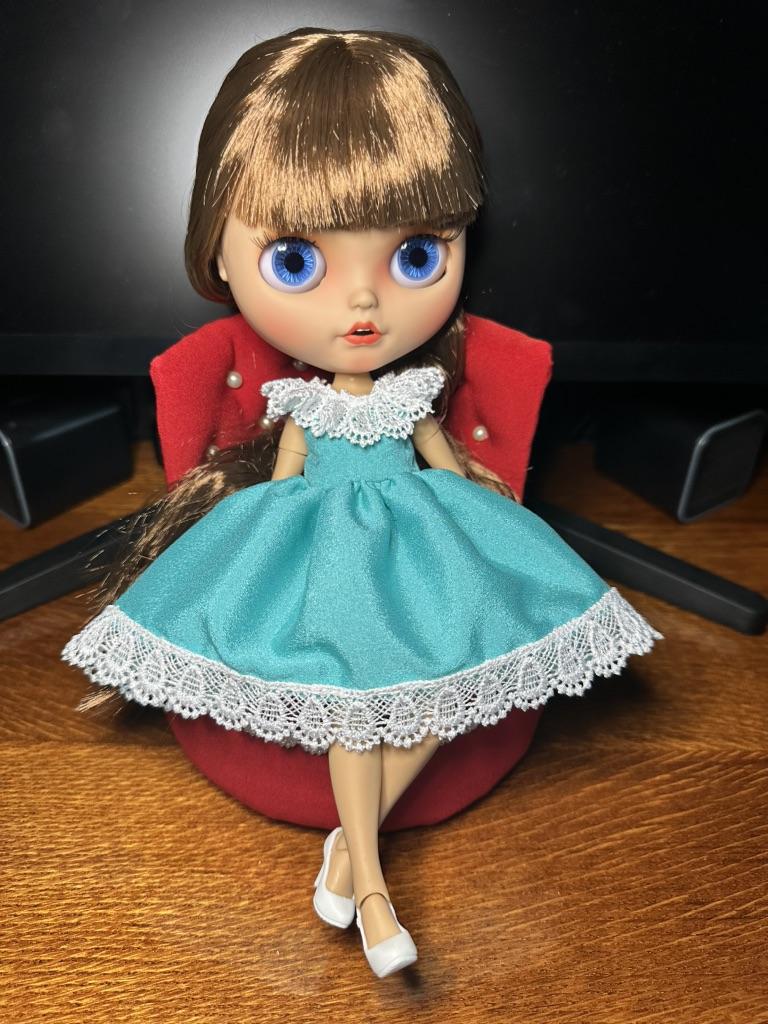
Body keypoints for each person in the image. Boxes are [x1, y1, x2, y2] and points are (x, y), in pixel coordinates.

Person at [61, 27, 663, 978]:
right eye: (297, 262)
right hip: (321, 554)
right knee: (352, 702)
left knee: (450, 683)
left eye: (416, 256)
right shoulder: (299, 403)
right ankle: (375, 891)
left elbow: (445, 467)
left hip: (417, 536)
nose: (364, 305)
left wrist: (487, 524)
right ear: (219, 256)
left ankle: (354, 850)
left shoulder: (413, 395)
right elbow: (284, 483)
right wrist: (241, 555)